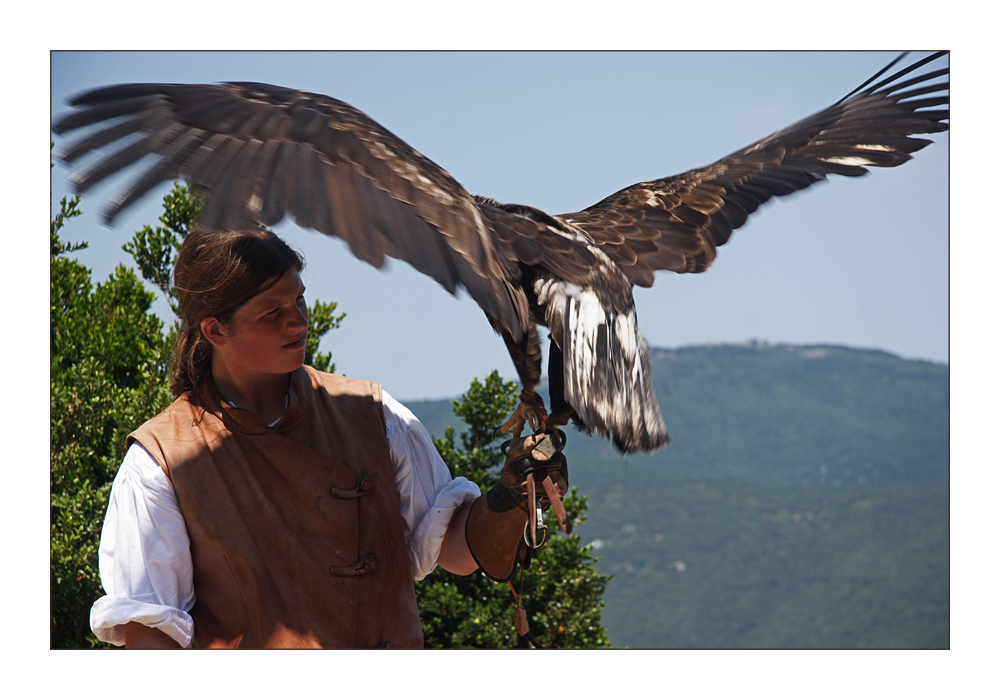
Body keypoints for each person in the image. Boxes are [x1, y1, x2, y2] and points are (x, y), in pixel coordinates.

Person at [90, 228, 566, 649]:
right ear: (216, 329)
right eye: (272, 311)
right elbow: (150, 639)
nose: (298, 321)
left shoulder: (374, 415)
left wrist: (508, 499)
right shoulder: (162, 461)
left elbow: (454, 552)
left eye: (298, 299)